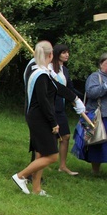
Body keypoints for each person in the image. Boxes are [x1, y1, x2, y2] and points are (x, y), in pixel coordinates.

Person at [12, 41, 84, 196]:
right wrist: (53, 122)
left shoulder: (41, 71)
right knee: (52, 155)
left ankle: (37, 189)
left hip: (38, 116)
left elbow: (59, 88)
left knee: (40, 153)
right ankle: (21, 176)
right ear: (51, 55)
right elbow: (44, 102)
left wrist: (75, 99)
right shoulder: (41, 75)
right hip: (40, 118)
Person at [48, 44, 80, 175]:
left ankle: (63, 166)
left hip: (60, 107)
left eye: (68, 52)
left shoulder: (64, 70)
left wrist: (81, 97)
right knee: (52, 135)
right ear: (57, 54)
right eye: (64, 52)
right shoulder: (49, 68)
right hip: (51, 106)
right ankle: (47, 162)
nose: (67, 55)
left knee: (65, 135)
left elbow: (70, 89)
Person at [82, 53, 107, 175]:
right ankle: (95, 170)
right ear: (101, 64)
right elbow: (91, 93)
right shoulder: (95, 77)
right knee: (98, 142)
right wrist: (105, 86)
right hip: (100, 116)